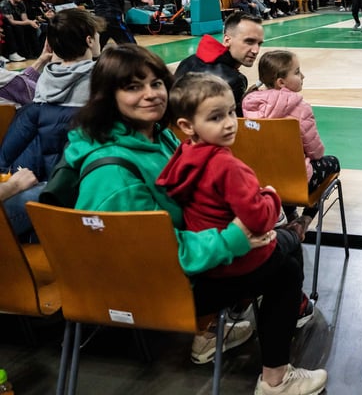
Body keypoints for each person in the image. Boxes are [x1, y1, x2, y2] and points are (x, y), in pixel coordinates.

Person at [64, 45, 326, 395]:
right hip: (155, 287)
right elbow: (152, 254)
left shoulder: (158, 136)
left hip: (180, 263)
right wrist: (233, 238)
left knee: (278, 245)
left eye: (156, 83)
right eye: (133, 86)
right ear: (107, 96)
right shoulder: (113, 174)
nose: (151, 94)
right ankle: (275, 380)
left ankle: (209, 337)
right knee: (284, 268)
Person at [0, 9, 104, 238]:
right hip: (69, 192)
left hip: (33, 177)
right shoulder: (106, 81)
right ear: (89, 40)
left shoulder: (39, 90)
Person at [242, 50, 341, 238]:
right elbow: (316, 152)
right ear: (281, 82)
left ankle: (290, 216)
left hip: (259, 182)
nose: (302, 76)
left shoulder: (248, 105)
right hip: (296, 184)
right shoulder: (301, 108)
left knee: (279, 167)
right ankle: (303, 222)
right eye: (297, 72)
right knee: (330, 162)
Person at [175, 12, 264, 116]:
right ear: (227, 40)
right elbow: (232, 123)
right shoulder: (235, 81)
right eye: (249, 42)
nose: (256, 50)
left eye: (259, 43)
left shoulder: (188, 61)